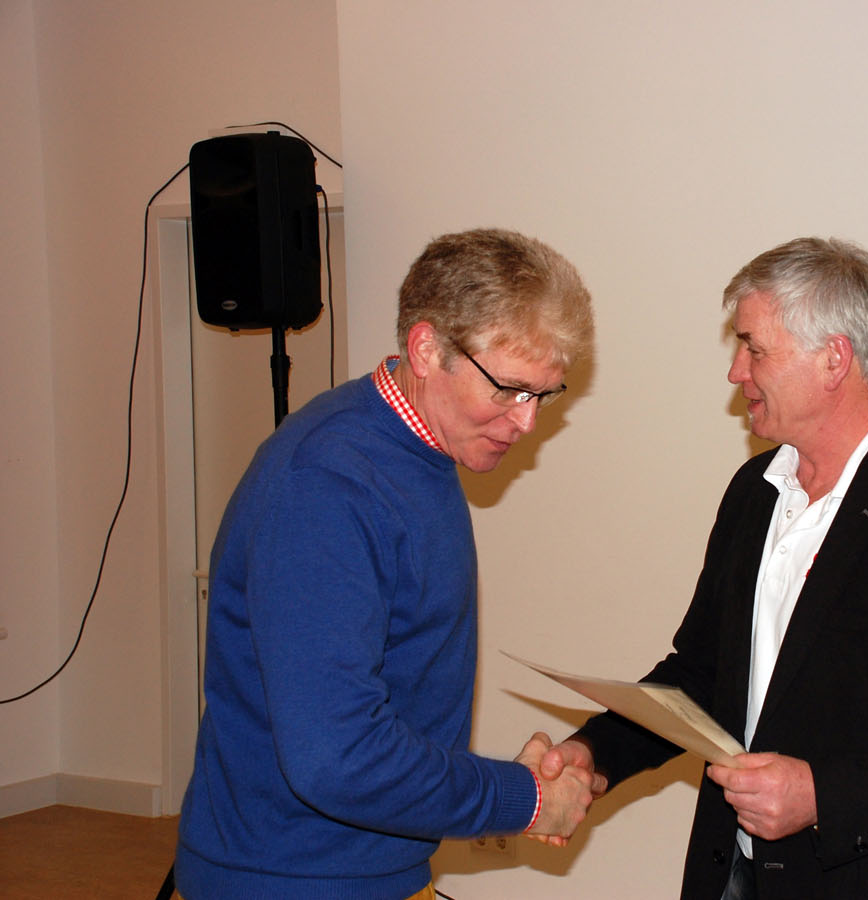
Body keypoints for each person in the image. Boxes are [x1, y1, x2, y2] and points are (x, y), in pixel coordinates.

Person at [544, 237, 868, 899]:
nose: (735, 372)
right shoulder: (755, 491)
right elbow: (701, 678)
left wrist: (823, 797)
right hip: (733, 876)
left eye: (754, 348)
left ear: (833, 358)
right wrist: (592, 755)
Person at [174, 229, 601, 899]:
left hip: (363, 872)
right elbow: (337, 758)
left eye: (544, 395)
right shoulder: (327, 484)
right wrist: (520, 799)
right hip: (292, 880)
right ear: (427, 349)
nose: (527, 424)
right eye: (509, 390)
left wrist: (510, 791)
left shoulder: (418, 454)